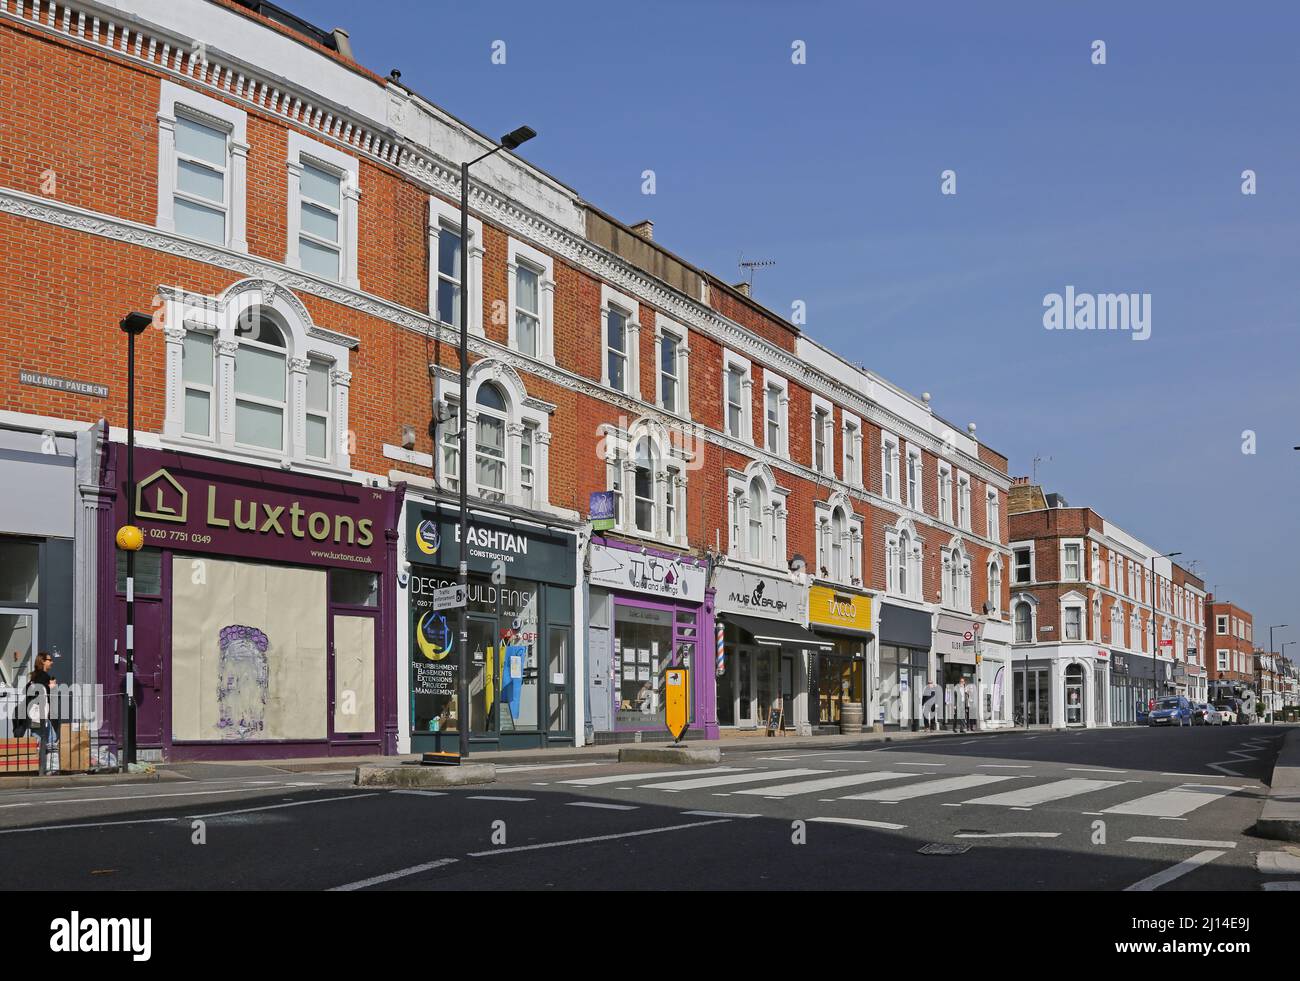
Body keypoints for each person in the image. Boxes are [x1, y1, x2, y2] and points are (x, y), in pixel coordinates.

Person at [24, 652, 58, 776]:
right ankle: (50, 768)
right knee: (51, 740)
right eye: (49, 660)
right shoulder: (44, 676)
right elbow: (44, 694)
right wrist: (52, 687)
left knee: (38, 740)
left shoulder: (33, 676)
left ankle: (38, 767)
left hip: (33, 714)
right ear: (43, 661)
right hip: (41, 714)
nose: (51, 662)